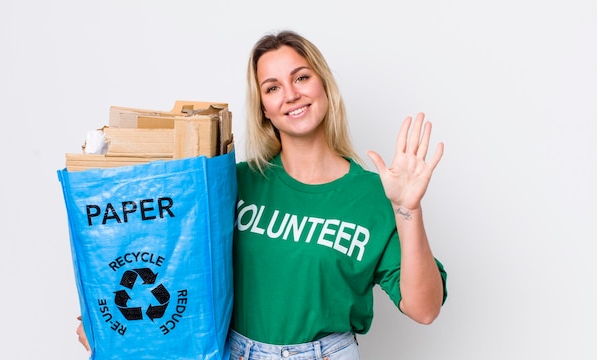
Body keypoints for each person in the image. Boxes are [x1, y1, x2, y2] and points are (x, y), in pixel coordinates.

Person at [77, 30, 447, 359]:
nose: (291, 95)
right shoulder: (233, 183)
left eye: (301, 77)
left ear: (324, 86)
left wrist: (407, 208)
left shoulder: (375, 194)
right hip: (236, 351)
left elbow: (424, 308)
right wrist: (112, 325)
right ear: (264, 109)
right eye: (272, 88)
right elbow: (171, 259)